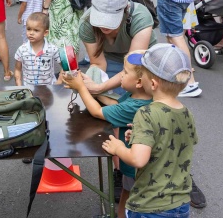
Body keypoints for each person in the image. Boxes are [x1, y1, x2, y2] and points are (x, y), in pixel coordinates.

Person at [102, 44, 199, 218]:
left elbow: (138, 159)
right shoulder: (186, 113)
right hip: (180, 203)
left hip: (150, 205)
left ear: (152, 83)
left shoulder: (145, 113)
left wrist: (118, 148)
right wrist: (142, 137)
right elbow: (175, 142)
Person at [64, 50, 152, 218]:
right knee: (126, 194)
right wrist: (93, 90)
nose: (121, 76)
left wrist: (81, 88)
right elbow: (114, 104)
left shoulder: (136, 106)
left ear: (139, 82)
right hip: (133, 166)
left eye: (125, 73)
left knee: (135, 203)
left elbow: (98, 112)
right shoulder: (141, 95)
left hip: (137, 169)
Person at [14, 12, 62, 85]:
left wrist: (59, 82)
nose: (31, 33)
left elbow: (65, 67)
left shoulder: (52, 49)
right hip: (29, 90)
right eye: (29, 29)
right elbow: (17, 69)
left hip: (49, 89)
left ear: (45, 33)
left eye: (36, 30)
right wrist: (19, 85)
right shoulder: (22, 50)